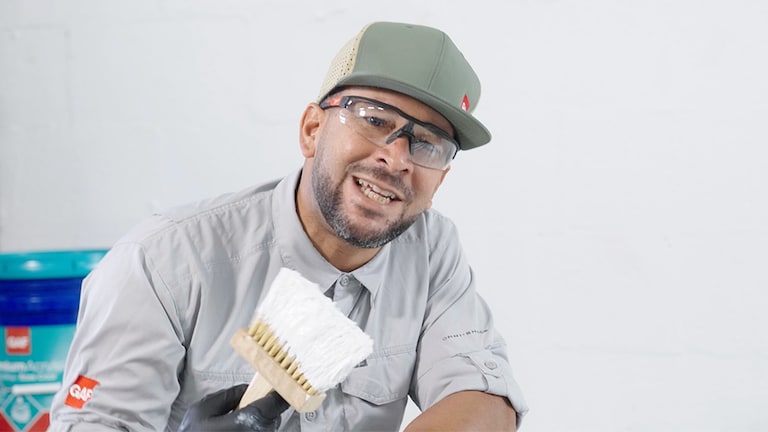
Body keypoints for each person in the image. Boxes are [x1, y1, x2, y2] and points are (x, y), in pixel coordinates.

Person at [48, 21, 528, 431]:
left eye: (427, 144)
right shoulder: (162, 263)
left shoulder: (431, 250)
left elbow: (486, 405)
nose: (396, 158)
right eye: (375, 120)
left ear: (440, 178)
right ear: (312, 130)